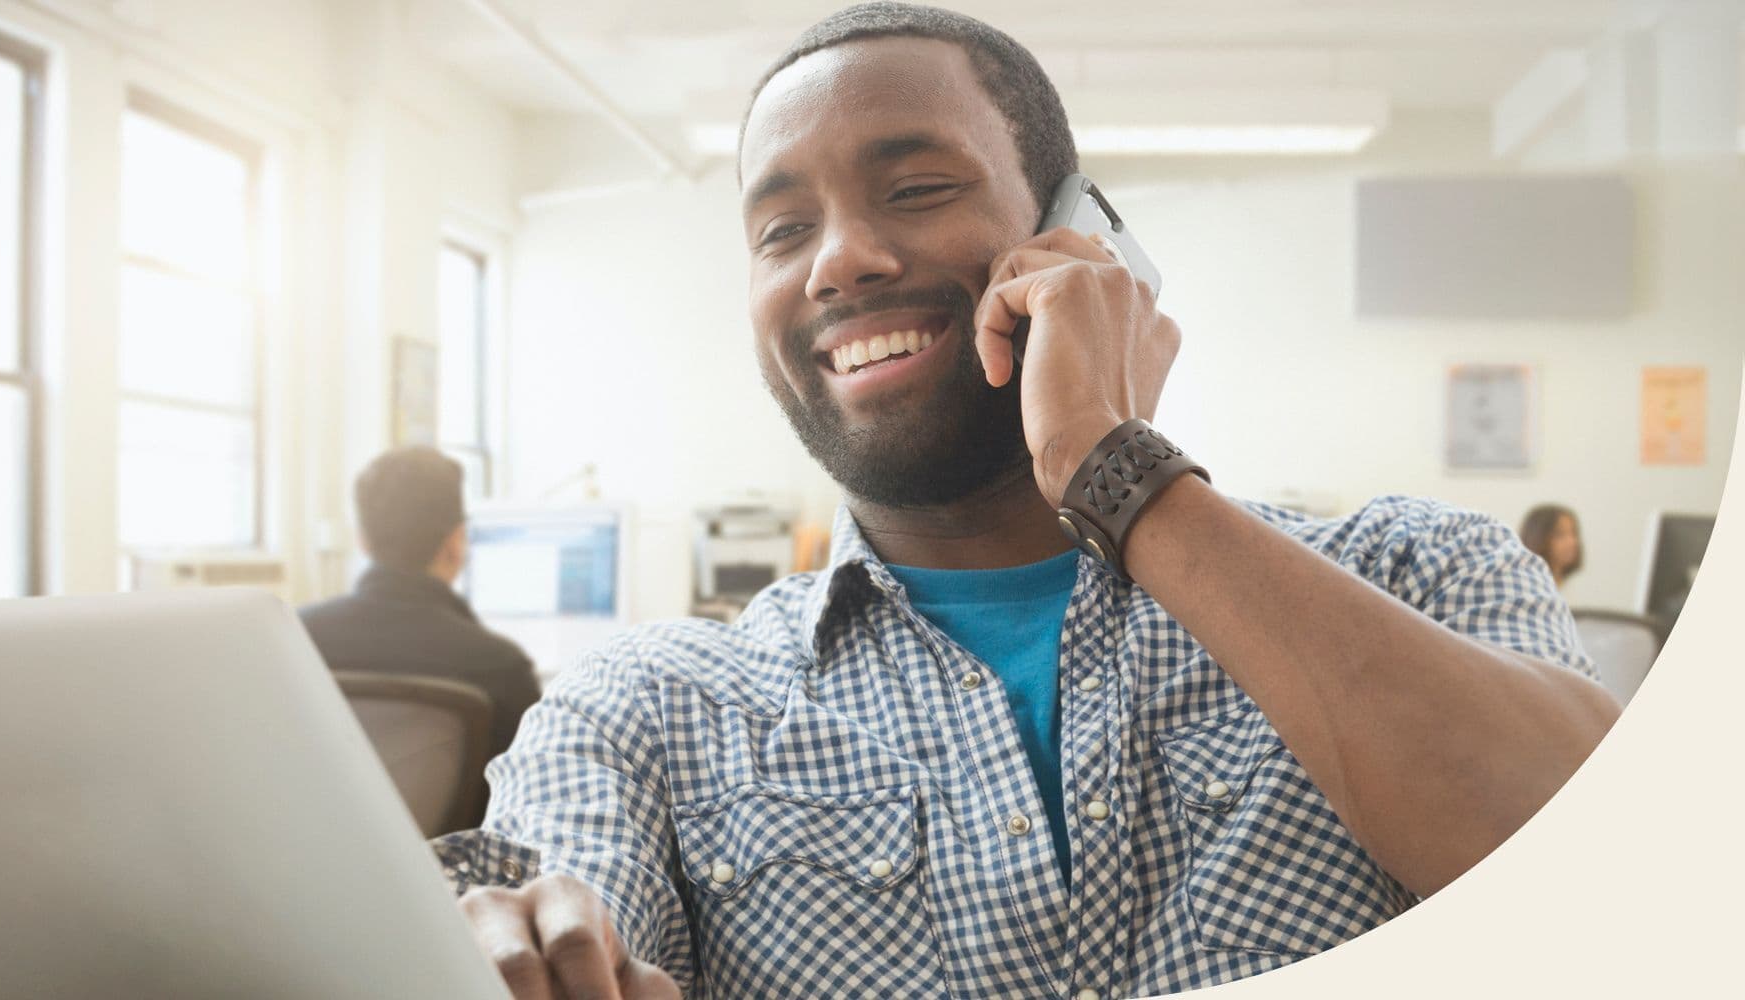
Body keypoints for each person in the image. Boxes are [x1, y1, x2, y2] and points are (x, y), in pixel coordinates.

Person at [435, 5, 1619, 998]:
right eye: (781, 228)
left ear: (1074, 236)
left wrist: (1112, 466)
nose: (837, 260)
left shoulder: (1413, 567)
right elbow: (556, 901)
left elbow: (1598, 885)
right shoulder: (649, 710)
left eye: (916, 187)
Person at [299, 446, 539, 760]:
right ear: (456, 543)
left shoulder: (295, 639)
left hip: (328, 811)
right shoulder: (503, 667)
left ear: (362, 540)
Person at [1519, 503, 1584, 589]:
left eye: (1573, 533)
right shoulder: (1528, 588)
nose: (1572, 542)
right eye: (1560, 534)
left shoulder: (1570, 587)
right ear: (1538, 538)